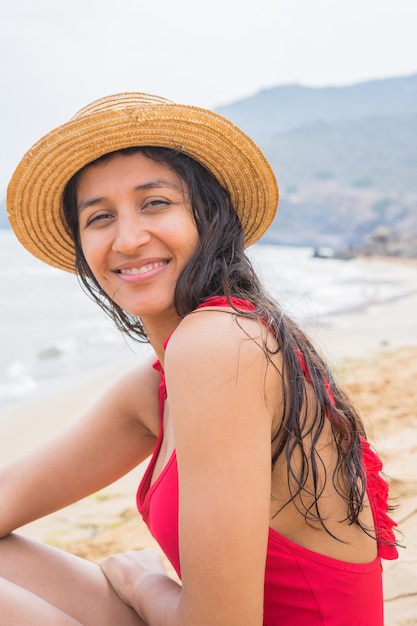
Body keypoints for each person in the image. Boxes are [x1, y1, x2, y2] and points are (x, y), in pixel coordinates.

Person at [2, 92, 398, 625]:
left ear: (209, 217)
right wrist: (142, 587)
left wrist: (143, 583)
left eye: (155, 203)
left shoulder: (221, 345)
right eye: (99, 217)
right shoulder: (158, 383)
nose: (128, 238)